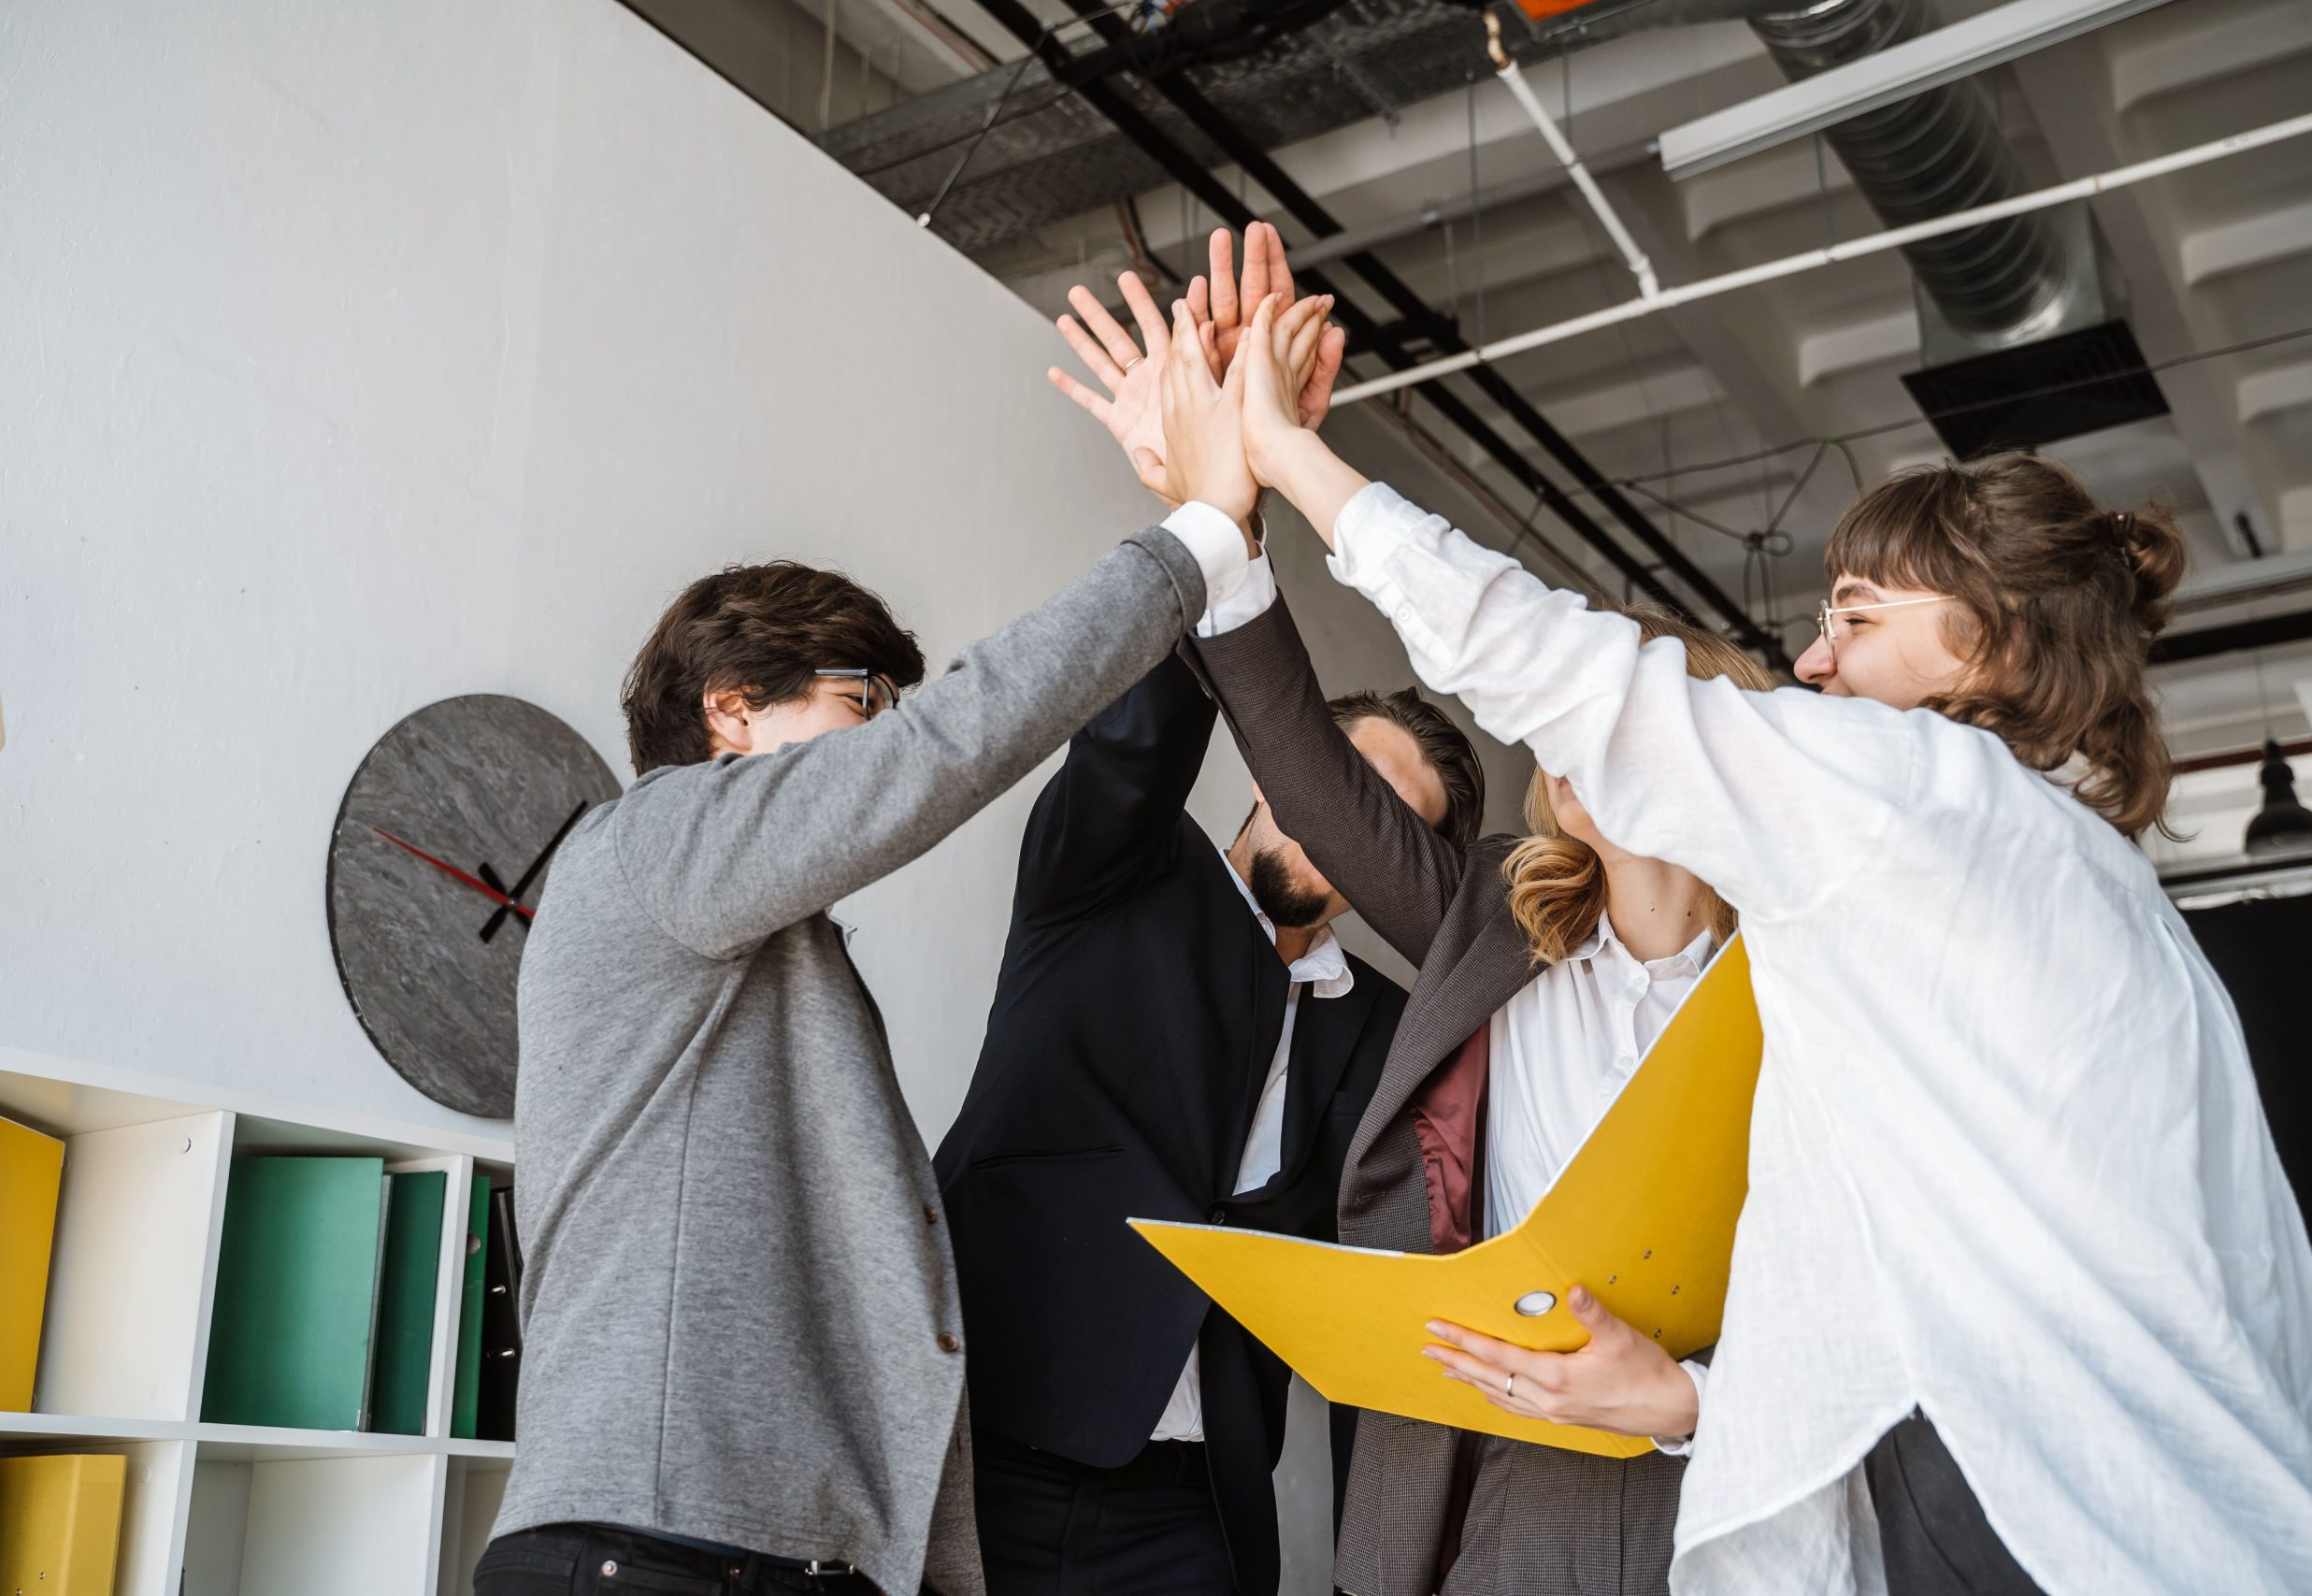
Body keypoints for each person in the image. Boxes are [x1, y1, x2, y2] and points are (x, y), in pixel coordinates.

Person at [1156, 292, 2312, 1593]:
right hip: (1993, 1495)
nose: (1814, 660)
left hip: (2028, 1510)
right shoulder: (2014, 904)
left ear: (2004, 641)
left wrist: (1283, 451)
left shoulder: (1920, 797)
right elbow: (1887, 1304)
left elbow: (1562, 669)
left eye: (1859, 616)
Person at [476, 496, 1261, 1595]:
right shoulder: (649, 842)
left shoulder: (747, 935)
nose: (890, 727)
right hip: (661, 1547)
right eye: (866, 699)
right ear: (733, 712)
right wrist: (1197, 541)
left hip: (754, 1547)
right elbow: (947, 747)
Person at [940, 226, 1484, 1596]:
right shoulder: (1120, 869)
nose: (1337, 822)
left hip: (1200, 1508)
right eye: (1333, 776)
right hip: (994, 1435)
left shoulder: (1393, 1034)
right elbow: (1135, 733)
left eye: (1385, 822)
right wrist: (1225, 500)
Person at [1183, 572, 1772, 1595]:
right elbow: (1314, 782)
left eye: (1608, 711)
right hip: (1470, 1460)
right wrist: (1224, 545)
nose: (1568, 736)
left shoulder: (1801, 979)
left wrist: (1696, 1402)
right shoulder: (1490, 917)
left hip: (1701, 1472)